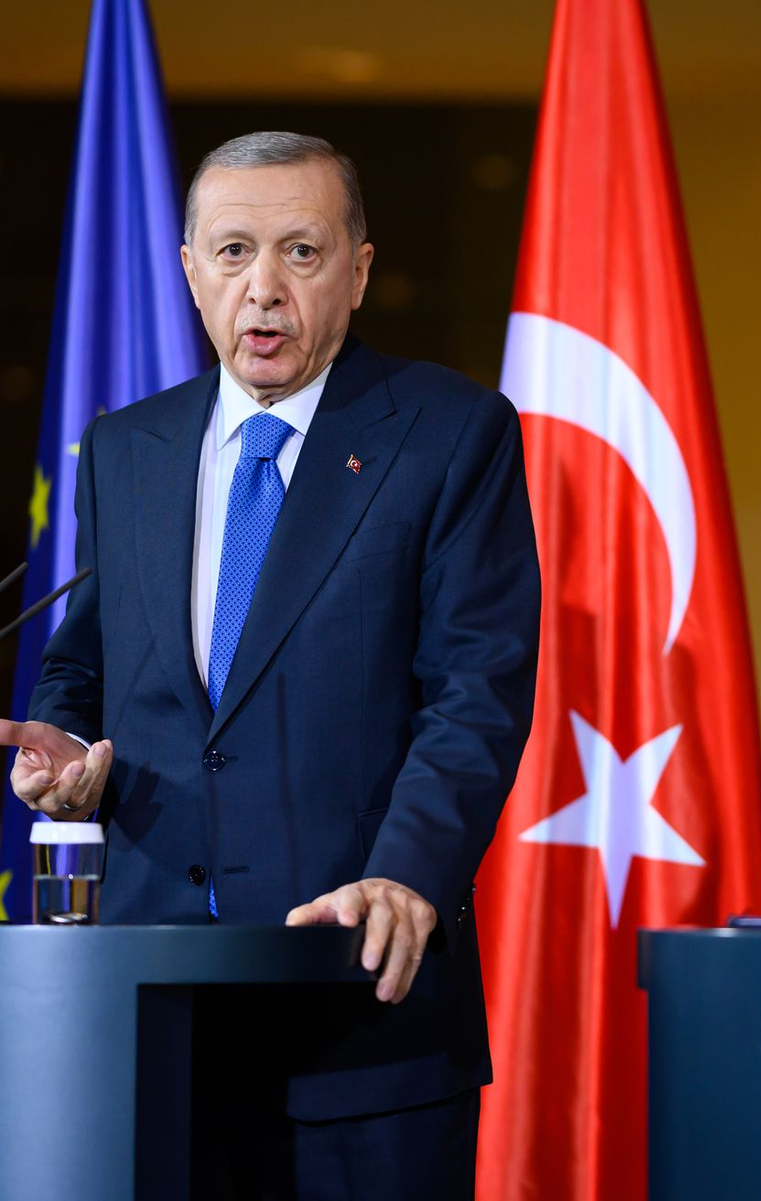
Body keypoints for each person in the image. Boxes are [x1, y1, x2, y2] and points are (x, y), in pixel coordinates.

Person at [0, 131, 540, 1195]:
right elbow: (86, 657)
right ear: (192, 270)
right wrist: (64, 752)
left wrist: (407, 871)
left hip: (357, 999)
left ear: (360, 270)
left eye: (301, 252)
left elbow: (476, 693)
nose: (265, 287)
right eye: (235, 251)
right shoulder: (126, 447)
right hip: (147, 1010)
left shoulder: (447, 433)